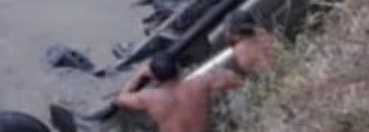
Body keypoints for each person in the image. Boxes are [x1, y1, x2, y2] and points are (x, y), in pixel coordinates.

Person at [113, 28, 277, 132]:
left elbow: (120, 99)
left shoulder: (149, 98)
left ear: (154, 76)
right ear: (178, 70)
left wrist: (139, 74)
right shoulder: (200, 84)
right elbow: (234, 80)